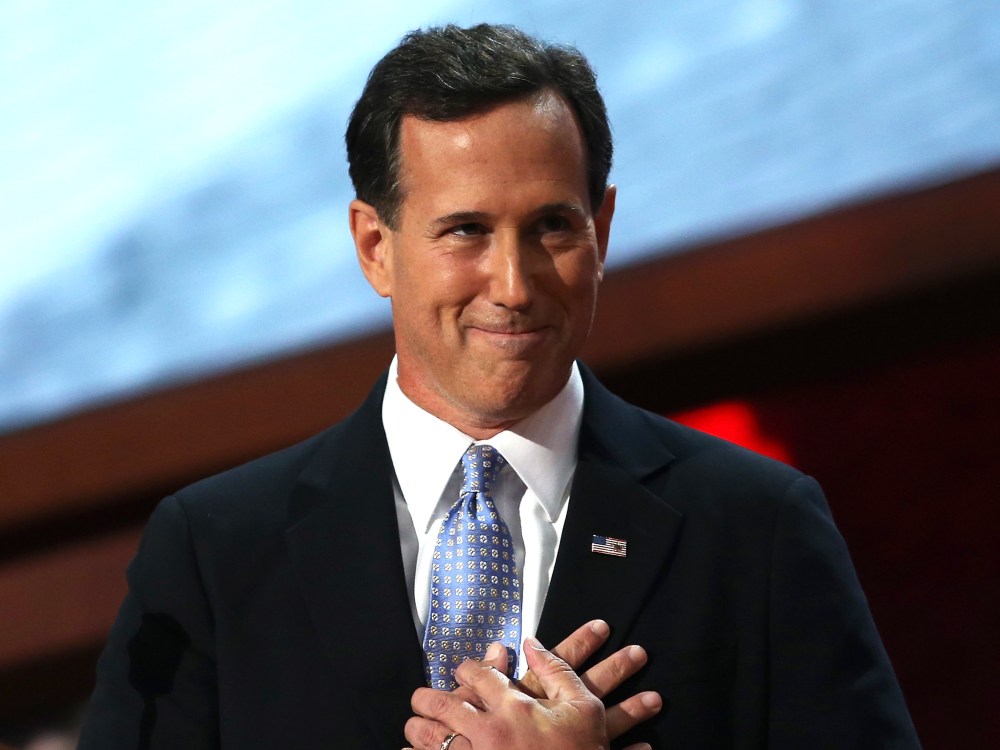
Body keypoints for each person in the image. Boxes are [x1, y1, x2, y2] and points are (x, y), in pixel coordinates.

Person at [78, 23, 920, 750]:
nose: (514, 284)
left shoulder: (756, 528)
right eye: (466, 231)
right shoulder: (216, 551)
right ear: (375, 245)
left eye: (552, 226)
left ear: (603, 230)